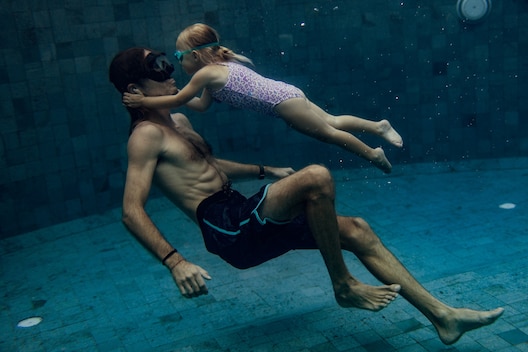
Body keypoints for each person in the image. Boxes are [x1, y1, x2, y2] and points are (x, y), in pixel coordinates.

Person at [109, 46, 503, 346]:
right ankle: (344, 286)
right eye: (157, 68)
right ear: (134, 89)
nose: (170, 71)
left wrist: (266, 171)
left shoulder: (178, 120)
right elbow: (131, 211)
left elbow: (206, 165)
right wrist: (175, 262)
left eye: (166, 61)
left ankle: (443, 317)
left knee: (357, 230)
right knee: (316, 177)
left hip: (240, 211)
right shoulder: (146, 136)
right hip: (226, 228)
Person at [122, 23, 403, 173]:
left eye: (178, 57)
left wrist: (144, 102)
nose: (178, 63)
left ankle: (372, 154)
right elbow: (200, 105)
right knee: (333, 120)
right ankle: (378, 126)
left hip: (282, 104)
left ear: (194, 56)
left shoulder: (206, 74)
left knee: (328, 133)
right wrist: (173, 98)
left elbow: (180, 100)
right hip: (288, 94)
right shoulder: (217, 72)